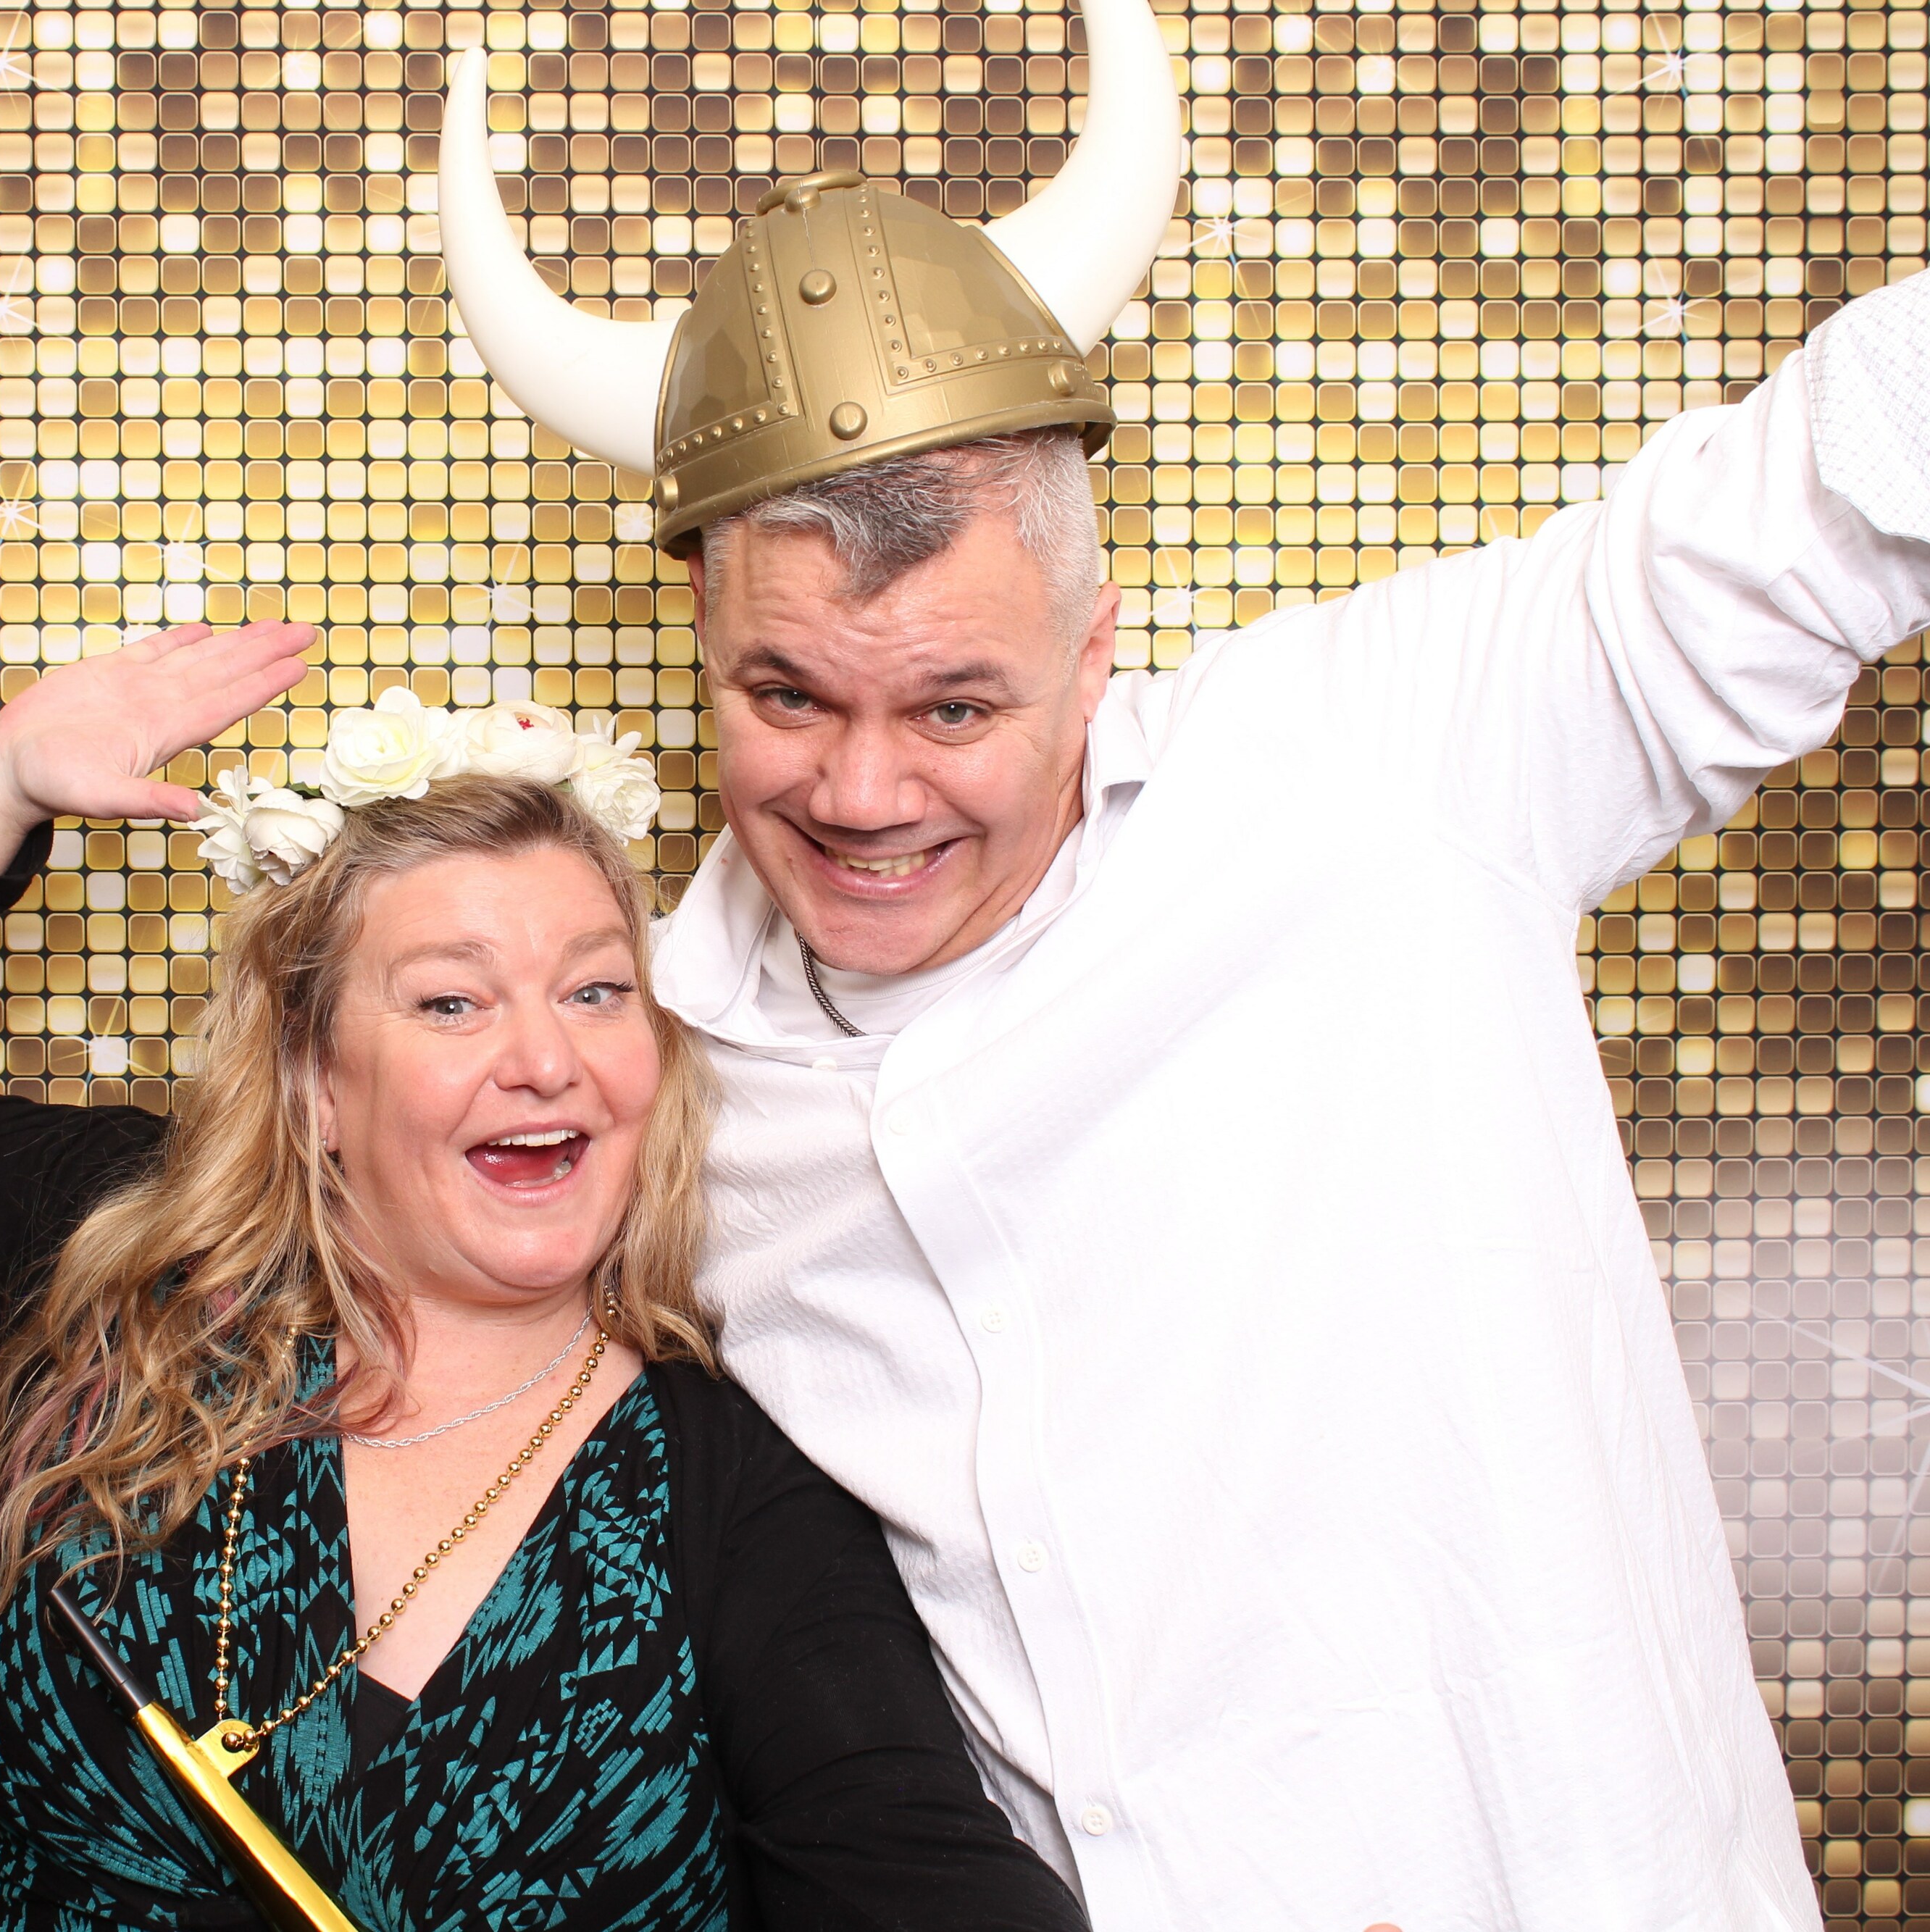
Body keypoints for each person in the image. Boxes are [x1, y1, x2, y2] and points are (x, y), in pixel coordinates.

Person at [430, 0, 1930, 1920]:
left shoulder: (1377, 763)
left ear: (1092, 651)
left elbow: (1827, 477)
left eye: (954, 705)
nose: (861, 793)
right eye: (784, 695)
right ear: (704, 651)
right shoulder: (646, 1072)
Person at [0, 620, 1089, 1931]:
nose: (544, 1058)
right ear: (314, 1078)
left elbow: (915, 1862)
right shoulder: (110, 1260)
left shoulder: (736, 1492)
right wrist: (2, 781)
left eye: (596, 992)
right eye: (451, 1001)